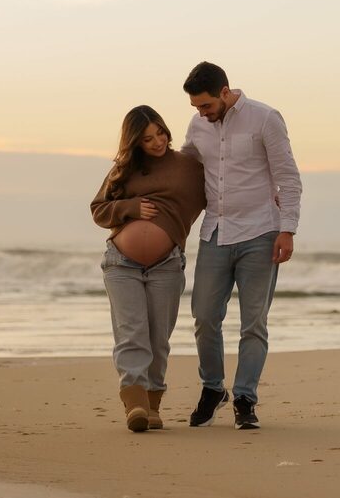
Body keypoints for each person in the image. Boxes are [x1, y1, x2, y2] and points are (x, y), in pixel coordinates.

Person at [181, 61, 301, 430]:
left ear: (225, 91)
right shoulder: (197, 125)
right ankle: (213, 388)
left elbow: (288, 176)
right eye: (196, 108)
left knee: (253, 323)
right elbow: (184, 166)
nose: (202, 113)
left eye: (206, 106)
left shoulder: (266, 118)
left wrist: (288, 229)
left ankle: (245, 398)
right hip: (215, 232)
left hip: (261, 231)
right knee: (203, 316)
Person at [90, 105, 206, 432]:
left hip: (166, 264)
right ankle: (136, 405)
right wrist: (131, 208)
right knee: (132, 333)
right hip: (121, 263)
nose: (156, 142)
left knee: (158, 338)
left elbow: (224, 195)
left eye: (160, 133)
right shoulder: (124, 170)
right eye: (146, 139)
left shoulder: (189, 168)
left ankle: (152, 404)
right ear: (135, 143)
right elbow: (98, 210)